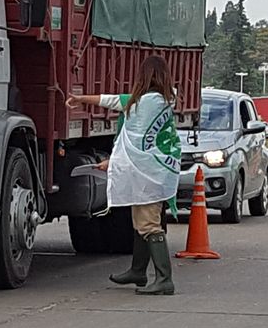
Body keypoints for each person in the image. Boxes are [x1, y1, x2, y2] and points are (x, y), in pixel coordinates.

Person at [64, 56, 181, 295]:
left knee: (148, 225)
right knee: (141, 222)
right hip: (156, 172)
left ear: (144, 77)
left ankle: (164, 279)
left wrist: (80, 99)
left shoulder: (145, 104)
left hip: (148, 176)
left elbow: (118, 111)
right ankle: (137, 271)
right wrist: (112, 162)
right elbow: (142, 144)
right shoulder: (164, 101)